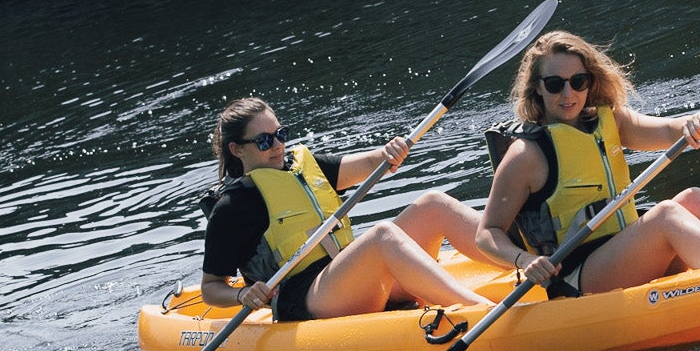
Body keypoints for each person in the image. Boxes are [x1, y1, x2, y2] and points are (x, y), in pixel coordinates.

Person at [479, 31, 700, 297]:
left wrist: (685, 125)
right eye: (555, 84)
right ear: (537, 89)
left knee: (692, 198)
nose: (568, 93)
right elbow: (488, 232)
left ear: (590, 82)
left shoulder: (609, 121)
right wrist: (523, 260)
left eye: (578, 81)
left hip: (624, 252)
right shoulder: (526, 155)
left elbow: (662, 131)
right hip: (577, 277)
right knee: (667, 215)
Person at [199, 97, 495, 321]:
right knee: (382, 236)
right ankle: (482, 312)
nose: (277, 145)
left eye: (281, 134)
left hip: (348, 281)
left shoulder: (301, 169)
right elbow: (211, 288)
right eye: (264, 141)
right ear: (237, 149)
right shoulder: (232, 208)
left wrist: (387, 152)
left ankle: (524, 258)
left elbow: (370, 164)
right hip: (306, 297)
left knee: (432, 204)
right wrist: (242, 294)